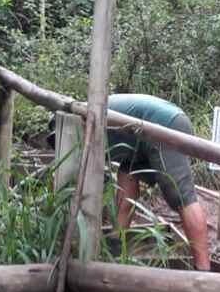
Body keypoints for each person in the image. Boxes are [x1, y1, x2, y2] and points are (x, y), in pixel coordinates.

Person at [48, 94, 210, 271]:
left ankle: (204, 270)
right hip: (145, 135)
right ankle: (117, 243)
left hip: (163, 125)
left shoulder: (76, 123)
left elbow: (83, 179)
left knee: (180, 196)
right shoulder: (84, 118)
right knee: (127, 174)